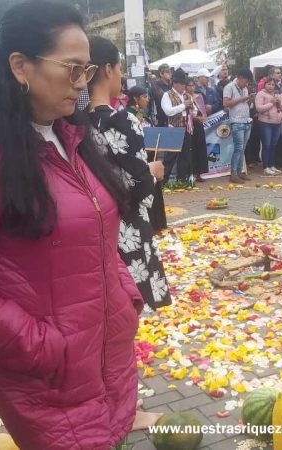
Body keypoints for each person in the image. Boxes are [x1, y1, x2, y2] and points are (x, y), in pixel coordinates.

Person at [0, 3, 143, 448]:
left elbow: (100, 233)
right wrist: (43, 347)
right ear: (20, 66)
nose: (82, 84)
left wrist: (125, 298)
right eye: (71, 69)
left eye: (86, 70)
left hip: (106, 357)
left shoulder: (71, 135)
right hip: (47, 376)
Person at [88, 36, 172, 316]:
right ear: (109, 69)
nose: (121, 75)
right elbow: (137, 184)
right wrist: (153, 172)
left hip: (92, 222)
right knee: (130, 298)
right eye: (119, 68)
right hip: (125, 223)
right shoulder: (121, 120)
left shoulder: (74, 121)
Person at [125, 86, 168, 232]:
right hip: (139, 158)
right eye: (144, 97)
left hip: (150, 154)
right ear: (136, 99)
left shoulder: (144, 115)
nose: (147, 99)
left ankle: (157, 223)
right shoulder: (127, 116)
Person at [161, 68, 196, 186]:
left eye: (184, 84)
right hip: (174, 130)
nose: (184, 86)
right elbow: (168, 111)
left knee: (185, 156)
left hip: (186, 128)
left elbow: (195, 113)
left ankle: (180, 181)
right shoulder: (167, 95)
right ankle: (163, 182)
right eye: (182, 84)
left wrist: (192, 108)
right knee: (170, 157)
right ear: (175, 83)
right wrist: (183, 106)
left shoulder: (186, 96)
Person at [223, 68, 254, 184]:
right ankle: (233, 173)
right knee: (238, 148)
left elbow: (245, 105)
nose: (246, 84)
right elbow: (226, 103)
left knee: (243, 149)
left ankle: (240, 171)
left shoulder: (245, 89)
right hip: (236, 121)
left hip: (246, 120)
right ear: (240, 77)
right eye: (246, 81)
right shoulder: (229, 87)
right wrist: (243, 98)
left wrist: (250, 100)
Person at [255, 78, 282, 175]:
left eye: (273, 84)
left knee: (273, 145)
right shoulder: (260, 94)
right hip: (265, 122)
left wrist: (279, 102)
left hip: (277, 123)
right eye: (269, 84)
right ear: (264, 85)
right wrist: (271, 103)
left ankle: (272, 165)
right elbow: (259, 108)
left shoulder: (277, 94)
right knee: (266, 145)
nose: (271, 86)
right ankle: (265, 167)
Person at [187, 78, 210, 182]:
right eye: (189, 85)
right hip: (189, 124)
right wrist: (196, 118)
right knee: (191, 148)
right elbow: (187, 112)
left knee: (200, 148)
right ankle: (191, 173)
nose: (191, 87)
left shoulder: (199, 97)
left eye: (193, 85)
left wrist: (203, 118)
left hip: (199, 125)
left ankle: (199, 173)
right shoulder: (185, 97)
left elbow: (203, 111)